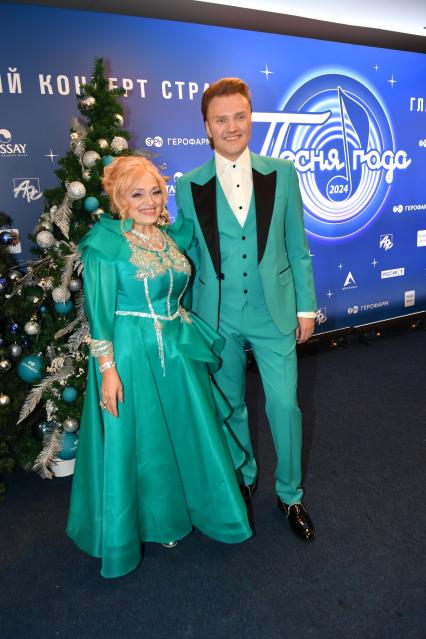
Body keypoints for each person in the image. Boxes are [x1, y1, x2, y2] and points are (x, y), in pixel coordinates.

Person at [66, 156, 251, 578]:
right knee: (145, 440)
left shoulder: (168, 238)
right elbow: (98, 314)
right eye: (138, 194)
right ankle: (149, 522)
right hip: (131, 355)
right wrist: (107, 370)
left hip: (176, 350)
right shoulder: (106, 245)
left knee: (184, 432)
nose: (150, 201)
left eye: (155, 192)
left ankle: (189, 508)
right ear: (120, 199)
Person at [174, 78, 317, 540]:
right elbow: (186, 254)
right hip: (215, 315)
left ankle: (290, 494)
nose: (232, 126)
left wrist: (307, 307)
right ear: (207, 127)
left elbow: (297, 247)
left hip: (273, 311)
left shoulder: (283, 173)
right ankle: (243, 474)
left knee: (284, 405)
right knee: (229, 403)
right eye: (221, 119)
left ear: (250, 117)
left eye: (240, 116)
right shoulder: (188, 185)